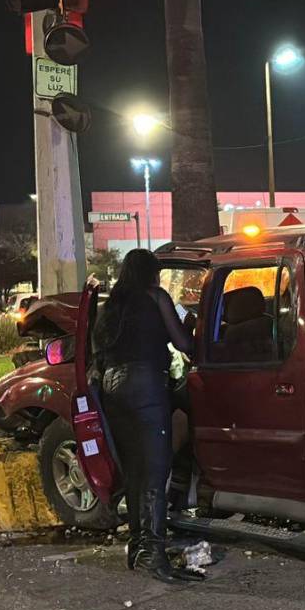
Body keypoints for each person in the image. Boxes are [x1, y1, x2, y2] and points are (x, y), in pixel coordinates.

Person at [94, 249, 202, 584]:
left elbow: (97, 353)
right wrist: (192, 328)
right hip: (145, 385)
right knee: (156, 471)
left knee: (135, 473)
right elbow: (185, 344)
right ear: (152, 274)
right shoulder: (155, 297)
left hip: (112, 390)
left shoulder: (110, 306)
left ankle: (137, 547)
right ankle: (153, 555)